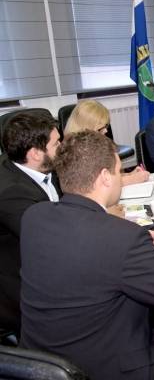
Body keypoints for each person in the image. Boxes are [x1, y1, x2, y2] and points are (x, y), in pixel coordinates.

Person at [19, 130, 154, 380]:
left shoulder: (34, 216)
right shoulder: (122, 238)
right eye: (119, 171)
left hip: (37, 363)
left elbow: (83, 250)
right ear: (105, 177)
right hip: (99, 370)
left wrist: (131, 243)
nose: (121, 179)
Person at [0, 112, 61, 335]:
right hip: (20, 287)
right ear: (35, 153)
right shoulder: (11, 193)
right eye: (56, 143)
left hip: (46, 260)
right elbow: (53, 239)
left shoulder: (43, 165)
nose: (62, 147)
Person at [65, 99, 149, 185]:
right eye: (100, 129)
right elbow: (97, 185)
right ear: (86, 126)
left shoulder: (93, 143)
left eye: (105, 126)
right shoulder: (76, 152)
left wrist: (130, 174)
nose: (105, 131)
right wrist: (131, 179)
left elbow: (108, 177)